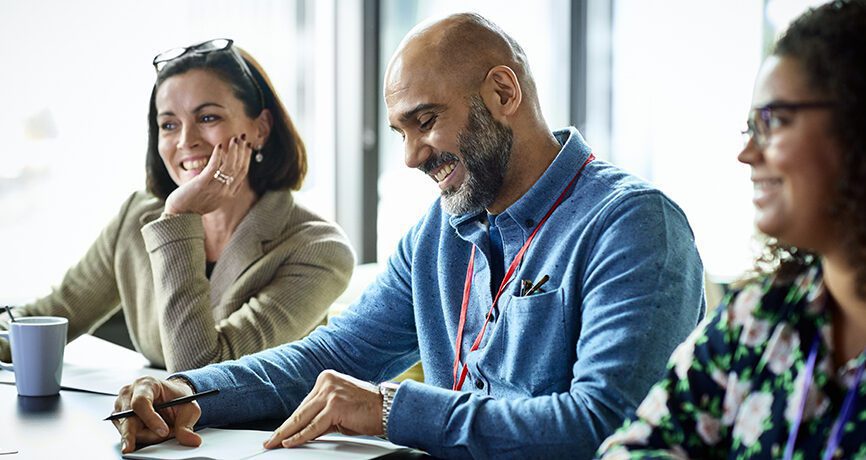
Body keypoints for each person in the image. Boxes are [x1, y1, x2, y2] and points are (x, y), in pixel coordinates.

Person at [113, 15, 705, 458]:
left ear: (503, 93)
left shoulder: (635, 224)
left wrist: (394, 409)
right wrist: (186, 389)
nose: (412, 156)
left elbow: (604, 426)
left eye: (425, 122)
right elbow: (333, 357)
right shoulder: (439, 234)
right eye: (400, 131)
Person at [596, 1, 866, 458]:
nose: (747, 154)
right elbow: (631, 448)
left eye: (774, 121)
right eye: (749, 127)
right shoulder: (759, 317)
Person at [0, 39, 355, 373]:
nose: (186, 141)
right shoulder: (137, 217)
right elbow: (47, 316)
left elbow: (202, 374)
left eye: (208, 118)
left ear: (260, 128)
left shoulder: (319, 250)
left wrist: (180, 218)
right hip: (152, 434)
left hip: (259, 436)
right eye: (169, 124)